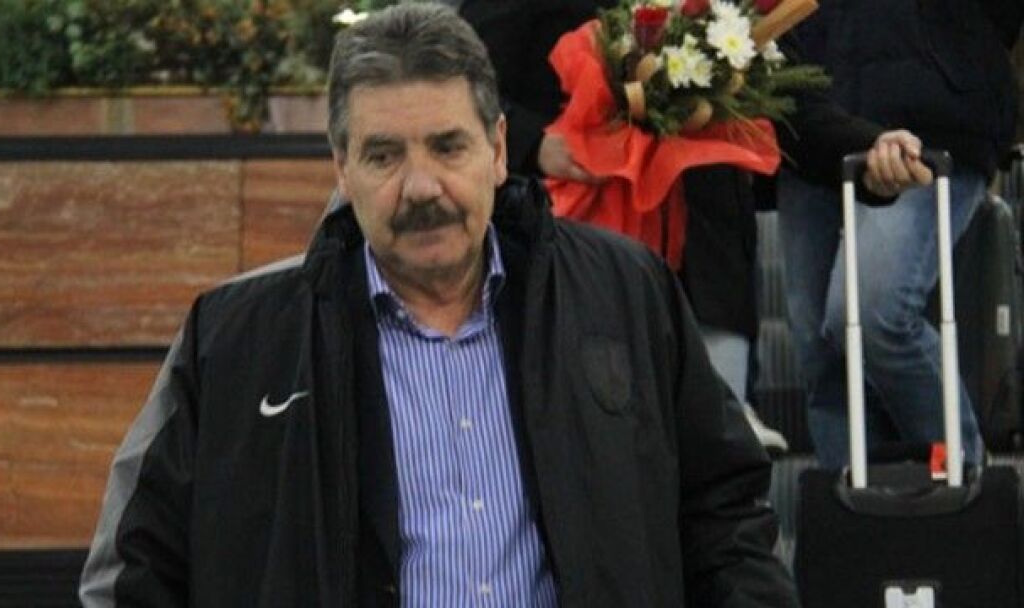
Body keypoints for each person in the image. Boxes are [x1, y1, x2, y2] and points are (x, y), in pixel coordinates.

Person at [79, 4, 796, 606]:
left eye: (448, 147)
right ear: (341, 167)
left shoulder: (626, 296)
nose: (421, 187)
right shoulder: (236, 342)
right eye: (384, 156)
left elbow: (726, 518)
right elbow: (135, 571)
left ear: (498, 148)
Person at [458, 0, 789, 452]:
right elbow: (463, 78)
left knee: (718, 452)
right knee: (597, 443)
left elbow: (763, 64)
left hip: (708, 247)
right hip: (579, 227)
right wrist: (534, 143)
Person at [774, 0, 1024, 467]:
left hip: (933, 117)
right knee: (821, 351)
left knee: (871, 312)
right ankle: (855, 501)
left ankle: (963, 475)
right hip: (810, 123)